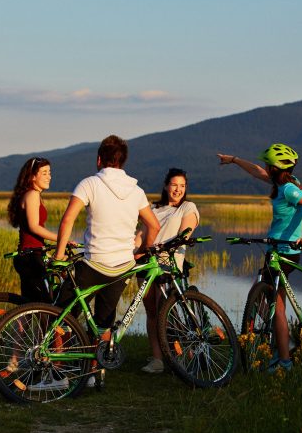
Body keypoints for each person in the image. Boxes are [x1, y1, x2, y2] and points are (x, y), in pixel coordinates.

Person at [45, 135, 160, 391]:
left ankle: (56, 374)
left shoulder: (89, 184)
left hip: (94, 264)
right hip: (122, 267)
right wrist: (142, 252)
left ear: (99, 159)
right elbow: (153, 225)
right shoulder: (136, 190)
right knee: (104, 321)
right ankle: (93, 375)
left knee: (57, 315)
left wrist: (59, 256)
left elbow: (67, 221)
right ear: (123, 160)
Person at [217, 144, 302, 372]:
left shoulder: (288, 189)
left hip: (286, 253)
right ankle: (283, 341)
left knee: (272, 304)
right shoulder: (279, 182)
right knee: (268, 300)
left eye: (269, 164)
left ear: (276, 168)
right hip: (274, 251)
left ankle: (284, 359)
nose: (265, 167)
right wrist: (234, 159)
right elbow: (257, 171)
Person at [135, 168, 199, 374]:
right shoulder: (154, 208)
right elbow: (141, 234)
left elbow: (185, 235)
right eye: (174, 185)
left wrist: (159, 246)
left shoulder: (188, 207)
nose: (178, 189)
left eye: (182, 186)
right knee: (152, 313)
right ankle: (158, 358)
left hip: (168, 266)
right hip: (146, 265)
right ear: (166, 186)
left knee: (167, 314)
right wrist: (133, 251)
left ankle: (186, 355)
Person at [7, 157, 58, 302]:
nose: (49, 176)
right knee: (44, 305)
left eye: (49, 172)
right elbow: (34, 227)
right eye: (44, 173)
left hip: (31, 256)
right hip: (30, 258)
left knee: (28, 305)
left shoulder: (34, 195)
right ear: (32, 176)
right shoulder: (32, 195)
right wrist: (62, 238)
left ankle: (14, 325)